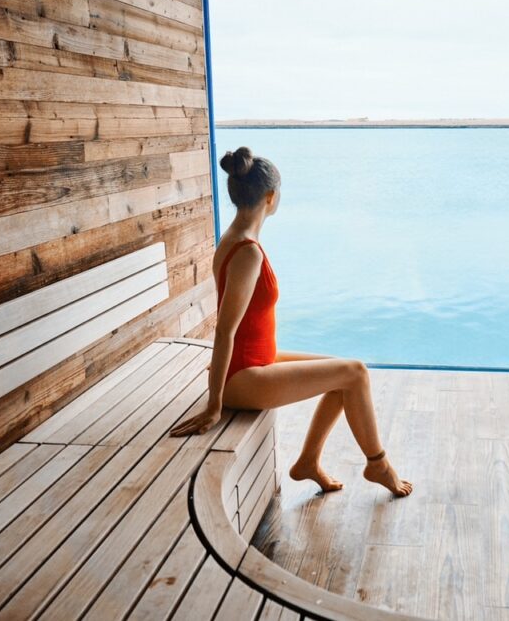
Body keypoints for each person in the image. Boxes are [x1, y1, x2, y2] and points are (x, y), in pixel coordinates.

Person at [170, 147, 412, 497]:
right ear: (270, 197)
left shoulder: (235, 239)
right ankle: (378, 465)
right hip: (244, 376)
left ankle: (308, 463)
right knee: (355, 372)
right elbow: (224, 330)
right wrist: (214, 404)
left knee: (343, 373)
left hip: (255, 362)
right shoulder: (247, 252)